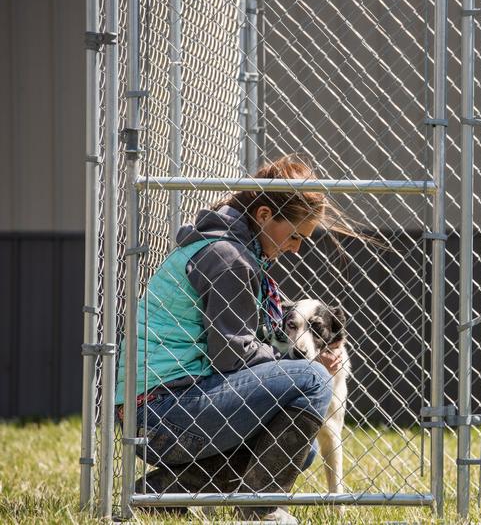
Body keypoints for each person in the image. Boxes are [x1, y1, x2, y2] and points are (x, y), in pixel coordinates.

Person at [115, 153, 354, 522]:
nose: (297, 248)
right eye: (293, 235)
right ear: (263, 216)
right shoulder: (229, 257)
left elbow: (237, 348)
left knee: (298, 448)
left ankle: (159, 494)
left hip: (156, 413)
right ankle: (260, 510)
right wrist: (299, 365)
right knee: (313, 378)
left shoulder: (228, 247)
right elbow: (233, 353)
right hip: (164, 413)